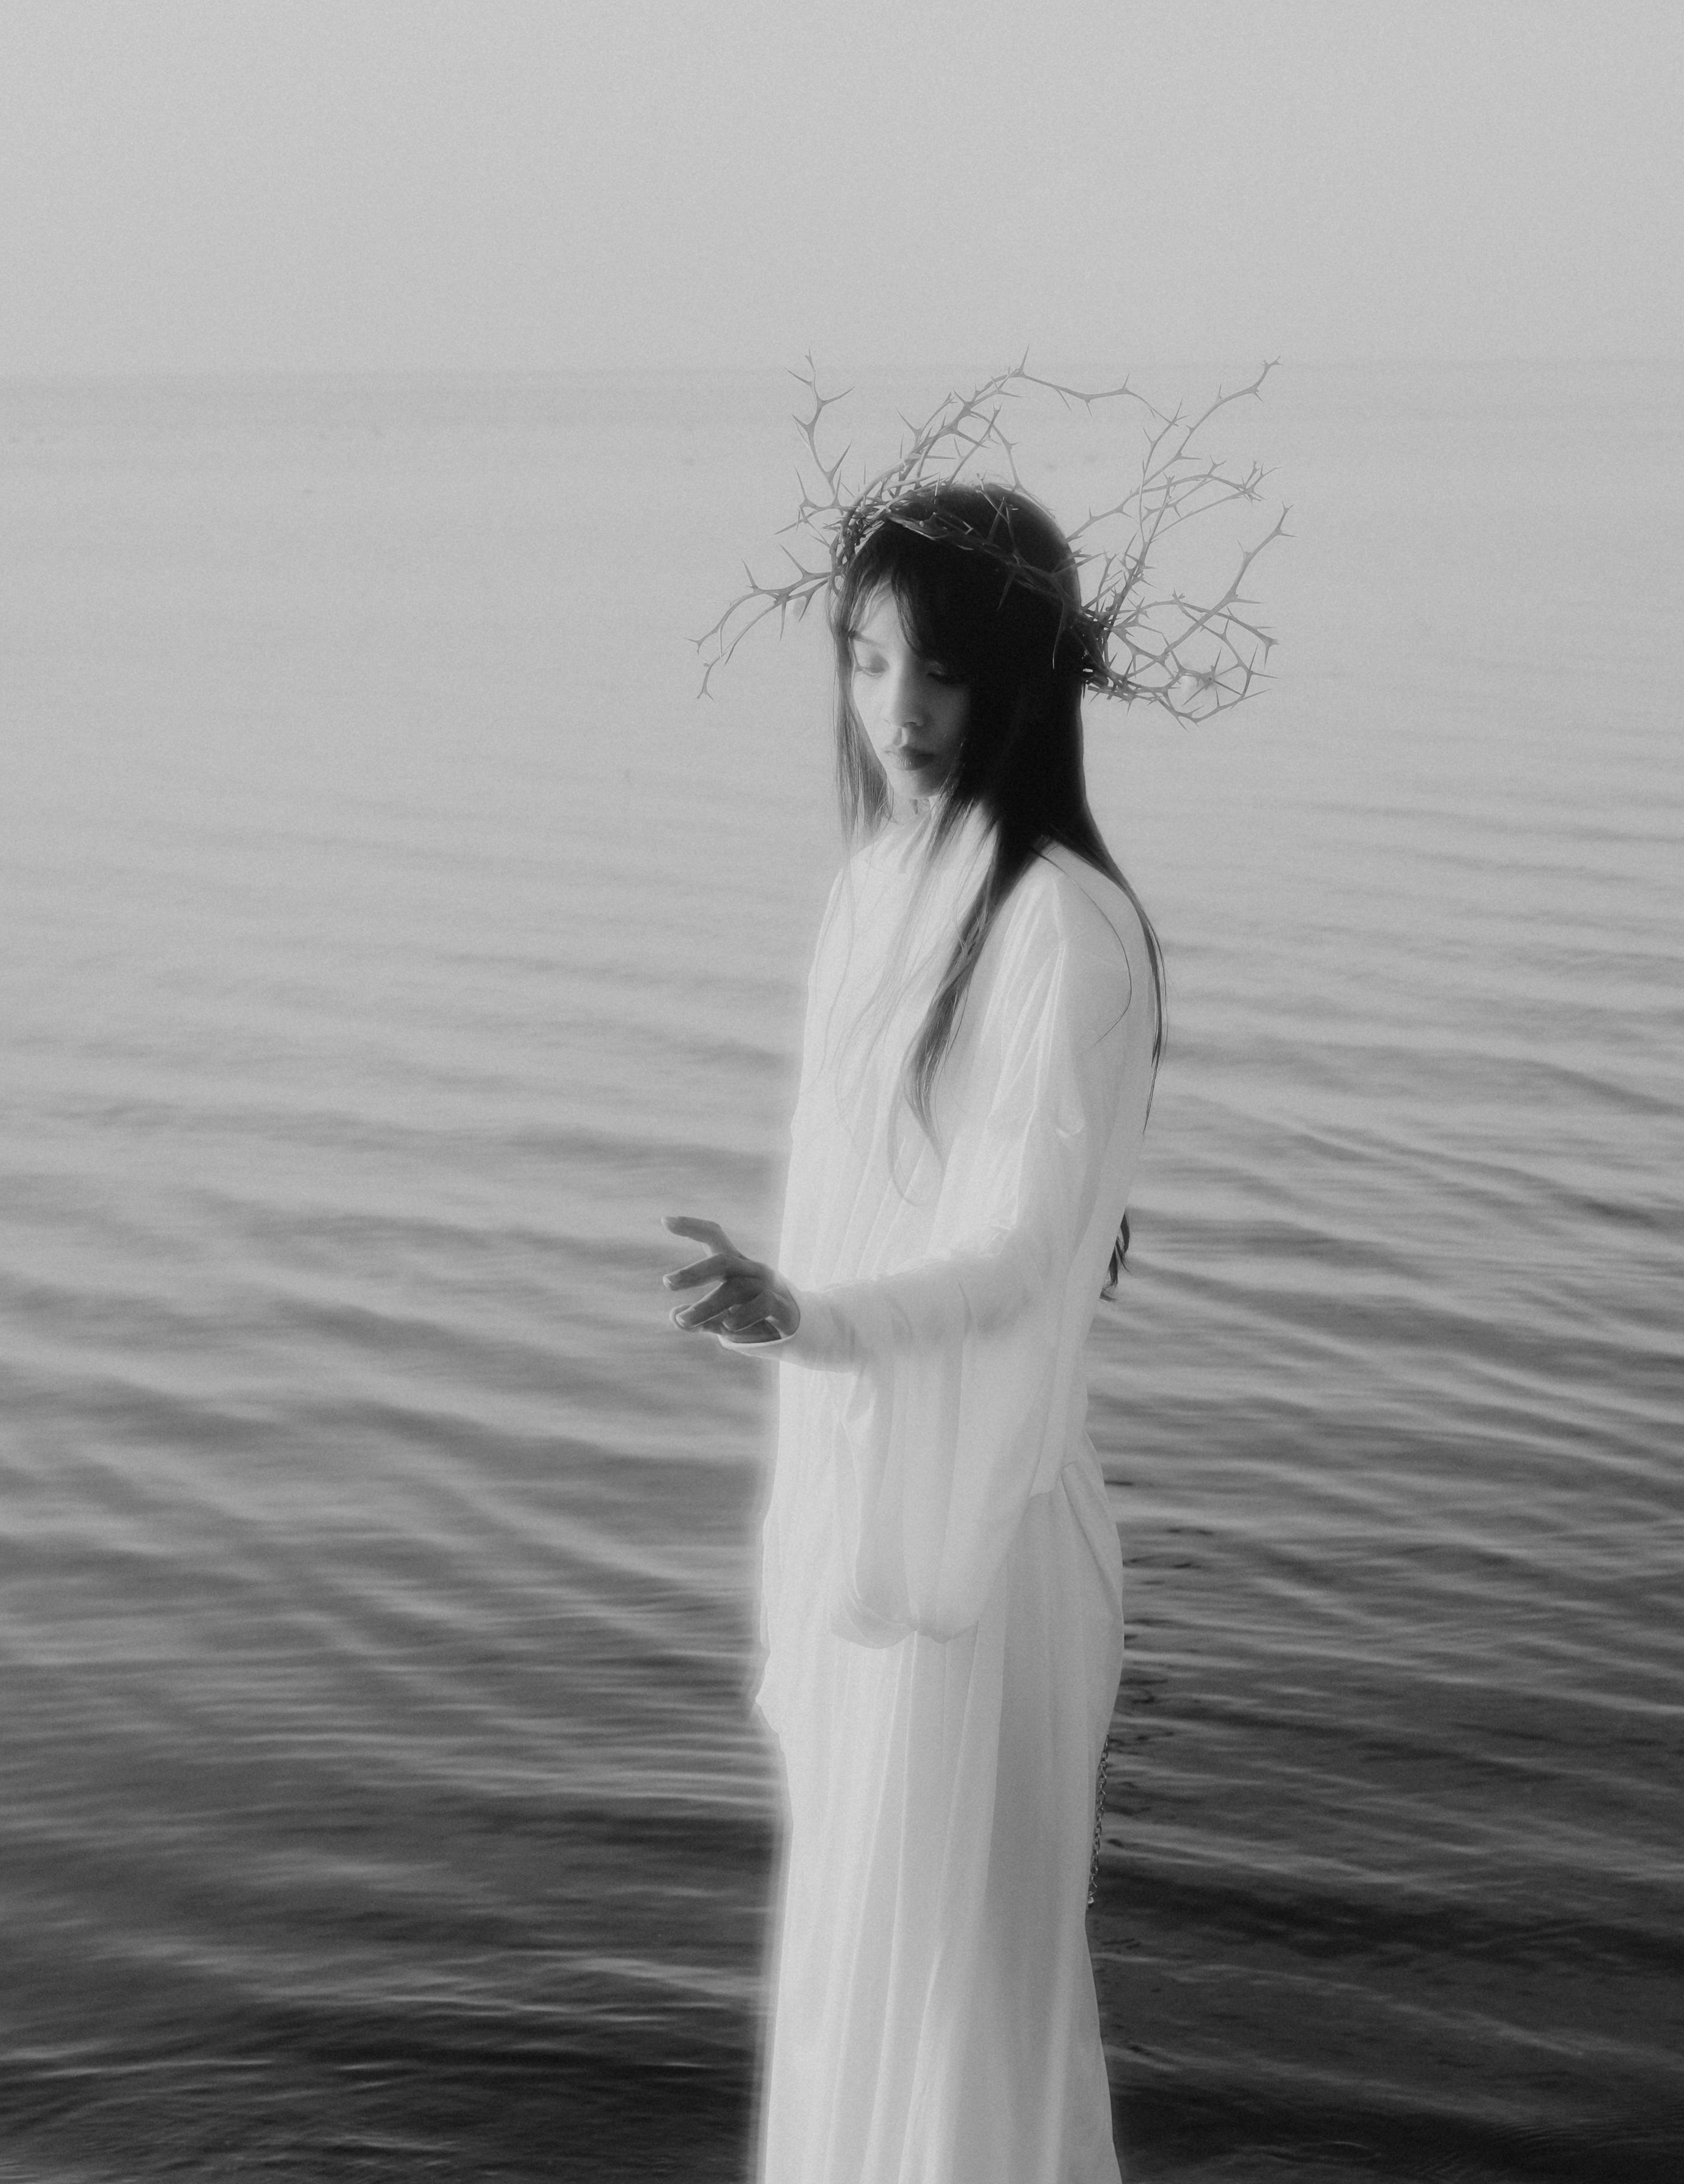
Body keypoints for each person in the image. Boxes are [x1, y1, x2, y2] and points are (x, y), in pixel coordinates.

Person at [664, 481, 1163, 2184]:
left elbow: (1024, 1255)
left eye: (943, 668)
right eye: (871, 662)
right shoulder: (881, 887)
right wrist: (823, 1317)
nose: (902, 711)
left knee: (968, 2017)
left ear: (1023, 678)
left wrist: (817, 1316)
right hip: (880, 1514)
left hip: (990, 1541)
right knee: (858, 1995)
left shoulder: (1064, 930)